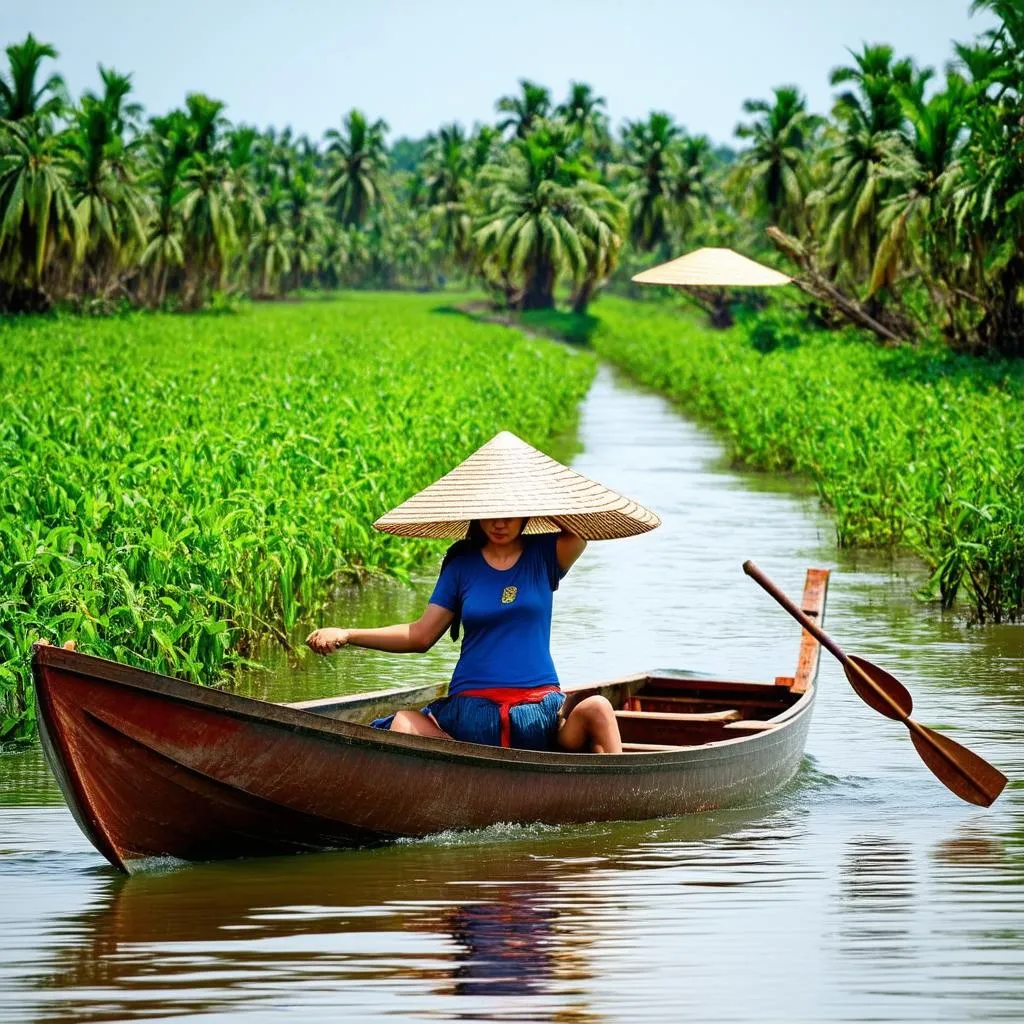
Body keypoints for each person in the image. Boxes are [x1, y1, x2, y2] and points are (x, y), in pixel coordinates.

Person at [306, 517, 622, 753]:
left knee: (599, 708)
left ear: (527, 512)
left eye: (510, 513)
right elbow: (420, 635)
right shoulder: (461, 565)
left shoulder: (546, 554)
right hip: (470, 716)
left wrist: (533, 491)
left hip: (536, 715)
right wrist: (348, 633)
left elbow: (581, 530)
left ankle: (623, 805)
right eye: (491, 513)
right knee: (403, 724)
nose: (500, 524)